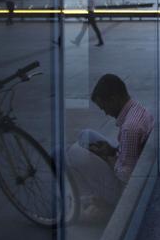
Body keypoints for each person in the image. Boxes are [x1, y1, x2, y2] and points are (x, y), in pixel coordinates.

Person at [66, 74, 154, 218]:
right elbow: (132, 154)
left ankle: (96, 201)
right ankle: (91, 195)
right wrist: (112, 151)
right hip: (130, 165)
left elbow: (125, 179)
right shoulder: (138, 109)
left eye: (104, 107)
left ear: (113, 99)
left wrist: (107, 159)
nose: (106, 113)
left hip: (124, 190)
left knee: (73, 152)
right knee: (85, 135)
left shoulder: (129, 128)